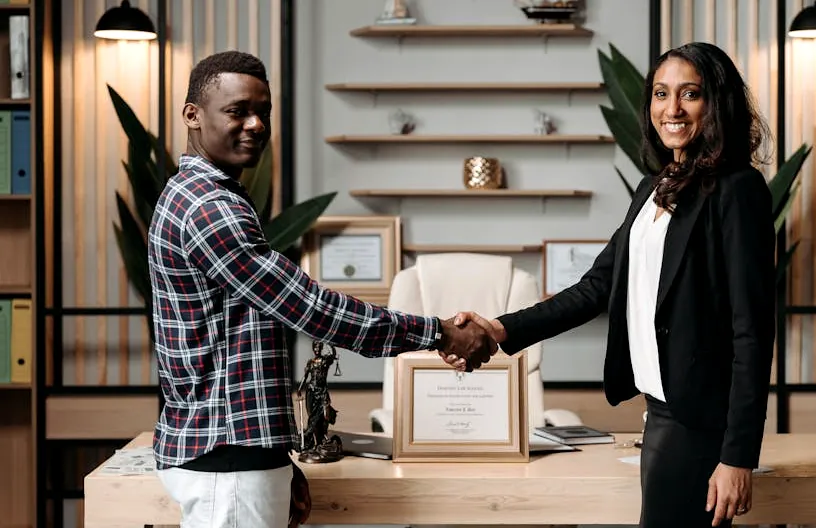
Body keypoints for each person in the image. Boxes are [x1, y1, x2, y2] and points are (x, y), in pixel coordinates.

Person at [148, 50, 496, 528]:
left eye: (263, 111)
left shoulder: (200, 195)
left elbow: (237, 344)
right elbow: (312, 308)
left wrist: (275, 456)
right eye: (237, 110)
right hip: (226, 464)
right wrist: (438, 333)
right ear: (192, 114)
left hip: (236, 452)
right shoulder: (210, 208)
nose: (254, 124)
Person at [449, 41, 776, 528]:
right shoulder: (655, 187)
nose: (672, 109)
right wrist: (500, 329)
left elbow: (753, 332)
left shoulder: (738, 189)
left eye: (690, 94)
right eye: (661, 94)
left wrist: (738, 458)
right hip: (660, 412)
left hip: (699, 424)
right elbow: (596, 287)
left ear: (716, 102)